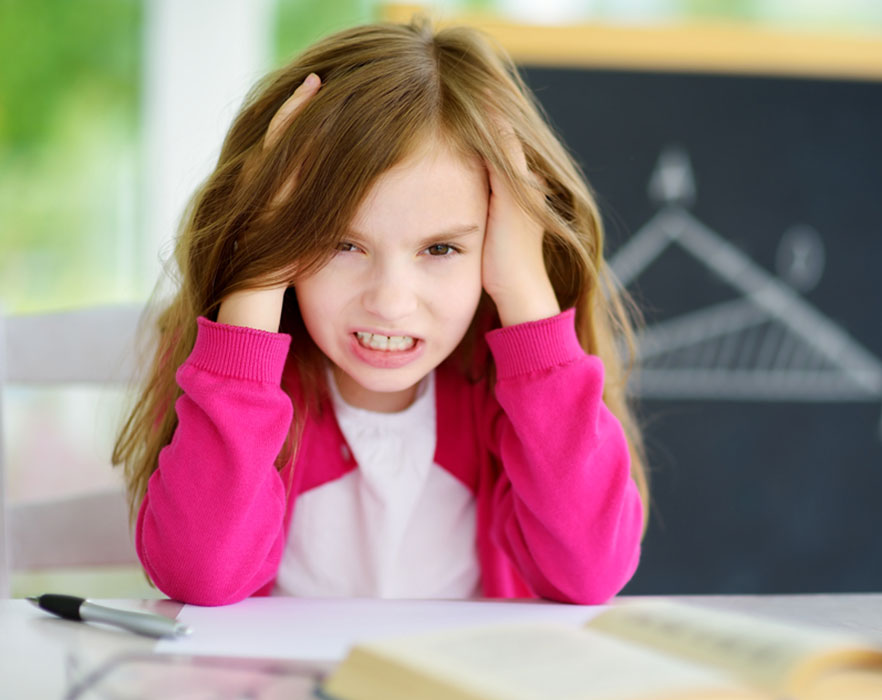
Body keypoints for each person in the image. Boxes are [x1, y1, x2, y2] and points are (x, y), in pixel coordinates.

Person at [114, 18, 649, 606]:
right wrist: (259, 265)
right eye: (344, 245)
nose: (392, 302)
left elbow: (592, 573)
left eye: (440, 249)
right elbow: (198, 577)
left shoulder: (497, 385)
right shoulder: (232, 366)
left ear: (500, 241)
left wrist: (524, 288)